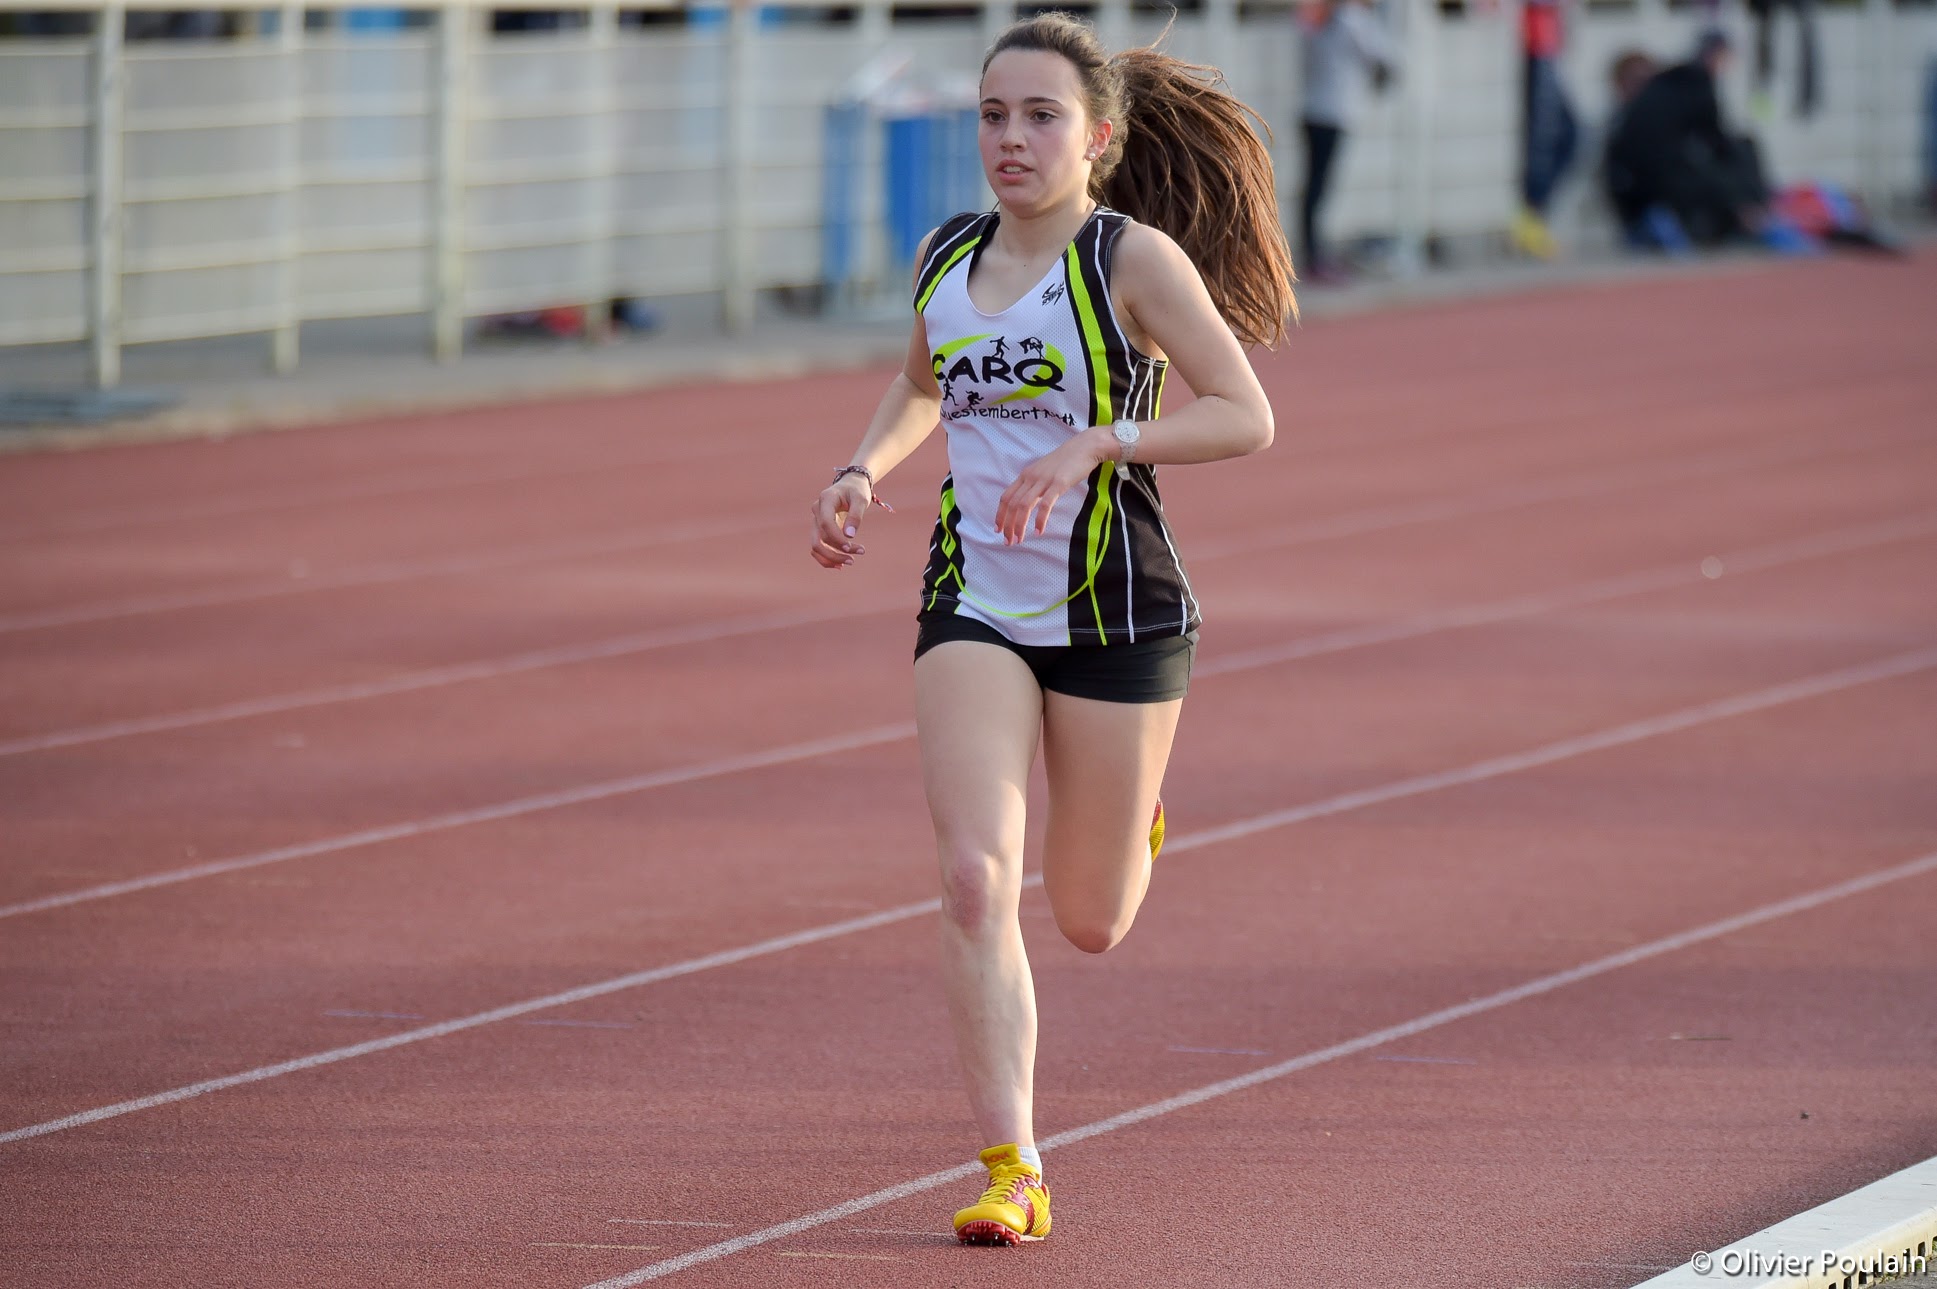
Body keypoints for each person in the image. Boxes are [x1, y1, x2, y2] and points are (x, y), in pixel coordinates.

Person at [809, 11, 1293, 1247]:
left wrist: (1099, 441)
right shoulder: (945, 253)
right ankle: (1012, 1165)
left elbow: (1243, 413)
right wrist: (860, 469)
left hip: (1116, 608)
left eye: (1038, 116)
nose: (1009, 139)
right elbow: (921, 381)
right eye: (991, 115)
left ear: (1098, 138)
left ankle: (1130, 816)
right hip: (972, 599)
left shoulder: (1131, 261)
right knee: (974, 877)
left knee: (1089, 916)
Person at [1602, 29, 1814, 254]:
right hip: (1652, 197)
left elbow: (1712, 143)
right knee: (1730, 163)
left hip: (1653, 192)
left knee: (1736, 154)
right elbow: (1715, 142)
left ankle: (1757, 212)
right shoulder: (1693, 85)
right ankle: (1754, 215)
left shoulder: (1671, 91)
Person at [1296, 0, 1398, 283]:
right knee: (1320, 188)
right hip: (1334, 113)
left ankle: (1312, 252)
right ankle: (1315, 256)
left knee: (1313, 187)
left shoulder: (1314, 15)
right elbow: (1384, 59)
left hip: (1311, 109)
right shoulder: (1351, 19)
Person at [1512, 0, 1579, 260]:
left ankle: (1534, 213)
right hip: (1535, 42)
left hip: (1547, 41)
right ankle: (1530, 216)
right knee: (1542, 139)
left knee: (1570, 134)